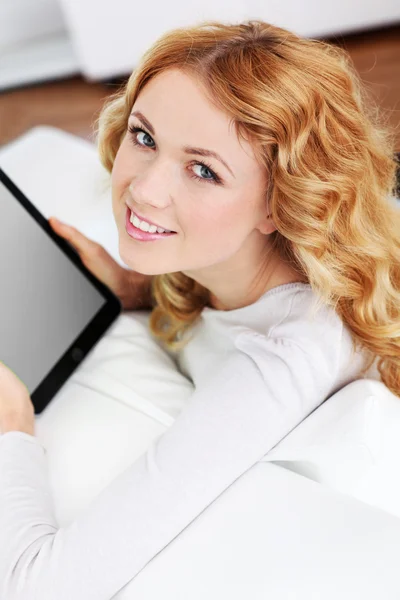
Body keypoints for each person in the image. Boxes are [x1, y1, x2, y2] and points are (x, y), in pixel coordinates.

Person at [0, 18, 399, 599]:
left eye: (204, 169)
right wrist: (137, 289)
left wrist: (12, 427)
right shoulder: (233, 264)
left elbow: (40, 587)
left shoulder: (286, 360)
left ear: (281, 205)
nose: (142, 190)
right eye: (144, 137)